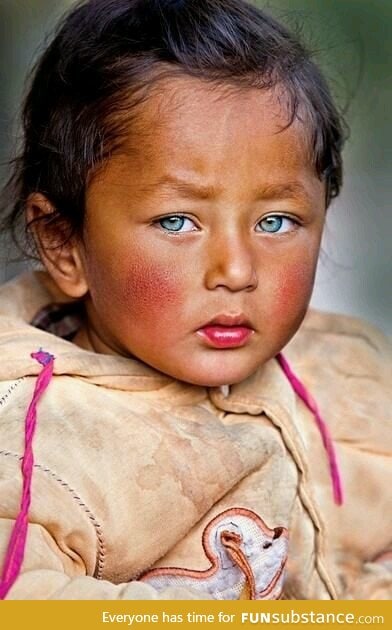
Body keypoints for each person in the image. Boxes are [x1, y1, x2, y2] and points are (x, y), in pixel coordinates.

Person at [0, 0, 390, 600]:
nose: (236, 271)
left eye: (277, 221)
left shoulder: (348, 373)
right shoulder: (32, 435)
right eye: (178, 222)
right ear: (65, 244)